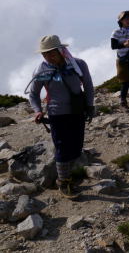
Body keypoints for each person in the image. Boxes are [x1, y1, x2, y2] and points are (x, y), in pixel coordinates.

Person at [27, 35, 94, 198]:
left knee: (76, 147)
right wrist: (37, 110)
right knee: (63, 148)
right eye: (44, 54)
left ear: (61, 50)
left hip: (78, 111)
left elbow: (88, 85)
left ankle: (67, 176)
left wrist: (90, 105)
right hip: (57, 114)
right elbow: (33, 94)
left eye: (51, 53)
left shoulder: (78, 65)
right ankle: (63, 182)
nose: (47, 57)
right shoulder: (43, 70)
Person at [111, 10, 129, 111]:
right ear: (121, 20)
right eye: (126, 18)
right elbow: (113, 46)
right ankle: (123, 102)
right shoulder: (116, 32)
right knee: (124, 82)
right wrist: (124, 44)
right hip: (122, 60)